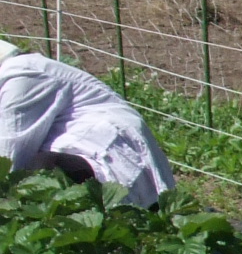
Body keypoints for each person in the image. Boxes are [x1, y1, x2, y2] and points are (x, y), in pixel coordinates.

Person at [0, 39, 173, 206]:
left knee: (41, 174)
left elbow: (8, 158)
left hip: (107, 153)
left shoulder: (22, 77)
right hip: (79, 149)